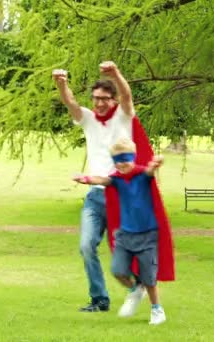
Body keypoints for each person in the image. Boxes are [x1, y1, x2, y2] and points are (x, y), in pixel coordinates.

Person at [53, 61, 138, 312]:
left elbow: (127, 95)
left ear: (113, 100)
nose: (99, 103)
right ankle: (100, 300)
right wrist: (62, 85)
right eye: (95, 98)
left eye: (104, 98)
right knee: (86, 246)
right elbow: (70, 103)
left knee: (124, 250)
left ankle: (139, 285)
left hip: (120, 195)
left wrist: (116, 73)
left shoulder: (123, 117)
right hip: (94, 196)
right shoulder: (88, 120)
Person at [73, 138, 172, 325]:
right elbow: (102, 180)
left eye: (124, 159)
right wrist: (85, 179)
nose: (121, 164)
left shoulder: (143, 174)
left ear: (132, 158)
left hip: (147, 235)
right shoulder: (117, 179)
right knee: (118, 270)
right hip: (125, 236)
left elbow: (150, 170)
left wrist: (155, 164)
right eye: (117, 160)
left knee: (149, 278)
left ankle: (156, 309)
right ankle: (135, 289)